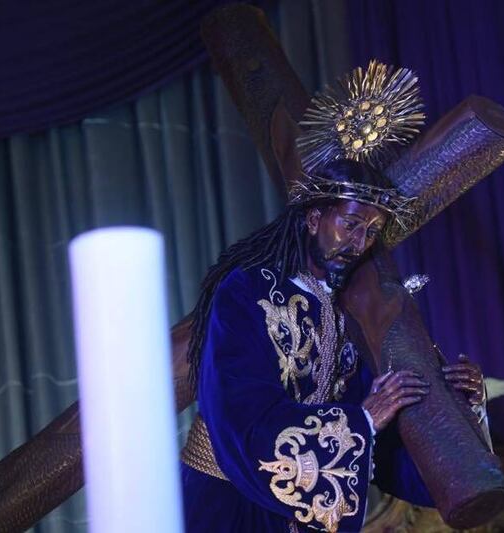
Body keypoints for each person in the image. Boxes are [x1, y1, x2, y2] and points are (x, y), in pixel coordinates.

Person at [179, 159, 488, 532]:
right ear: (314, 219)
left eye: (371, 232)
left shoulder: (349, 311)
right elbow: (238, 410)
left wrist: (459, 405)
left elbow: (385, 443)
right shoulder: (248, 288)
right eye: (351, 225)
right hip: (227, 498)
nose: (358, 244)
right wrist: (362, 422)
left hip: (306, 503)